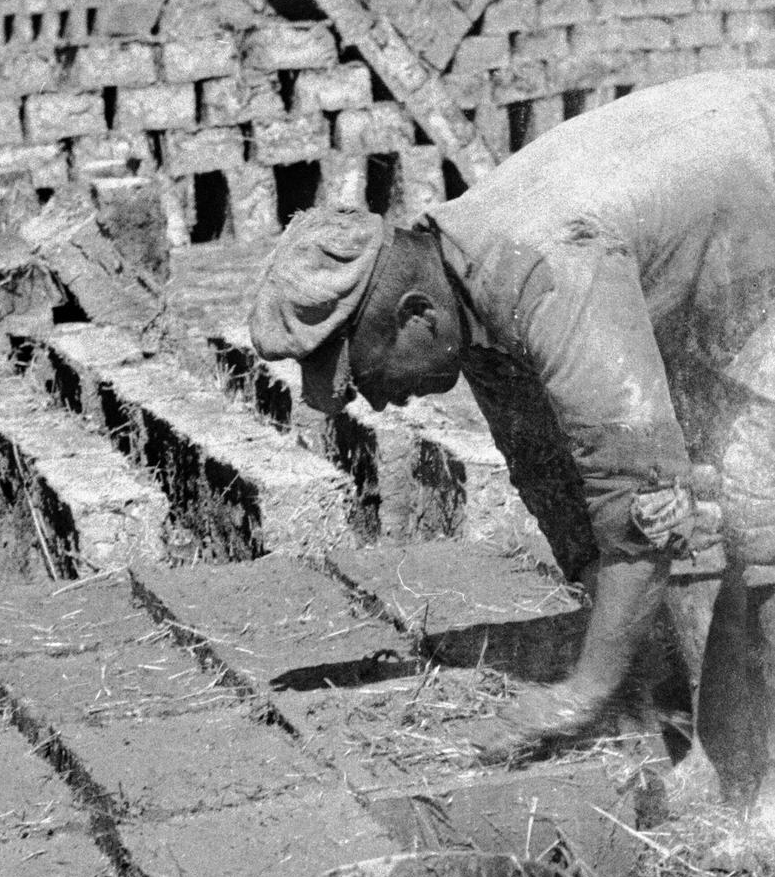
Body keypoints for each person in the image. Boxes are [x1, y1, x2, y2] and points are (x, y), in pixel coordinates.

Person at [248, 69, 775, 809]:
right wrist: (636, 680)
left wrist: (577, 695)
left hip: (763, 186)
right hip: (726, 225)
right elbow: (566, 492)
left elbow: (640, 500)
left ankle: (758, 796)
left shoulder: (540, 268)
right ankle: (716, 736)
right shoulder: (466, 298)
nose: (375, 399)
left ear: (412, 316)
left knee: (755, 512)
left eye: (363, 372)